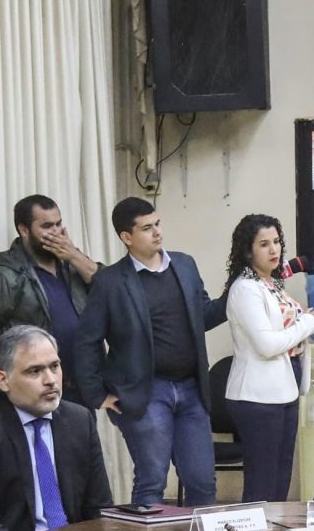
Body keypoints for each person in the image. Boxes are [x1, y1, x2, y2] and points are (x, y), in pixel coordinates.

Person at [75, 197, 230, 507]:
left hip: (191, 389)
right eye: (147, 228)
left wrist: (236, 291)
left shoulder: (184, 265)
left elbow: (204, 316)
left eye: (157, 224)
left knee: (202, 480)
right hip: (146, 393)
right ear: (126, 237)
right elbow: (86, 341)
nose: (157, 232)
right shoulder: (109, 282)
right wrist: (98, 395)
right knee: (152, 481)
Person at [0, 324, 113, 531]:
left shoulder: (79, 420)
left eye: (54, 366)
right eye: (35, 371)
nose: (50, 380)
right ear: (3, 380)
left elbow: (100, 508)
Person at [220, 213, 314, 504]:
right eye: (264, 244)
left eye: (276, 242)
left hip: (284, 391)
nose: (274, 250)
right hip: (256, 396)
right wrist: (310, 323)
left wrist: (310, 317)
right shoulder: (245, 288)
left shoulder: (272, 284)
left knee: (280, 479)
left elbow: (287, 329)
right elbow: (266, 344)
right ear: (247, 250)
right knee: (262, 483)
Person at [0, 194, 100, 367]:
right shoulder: (7, 277)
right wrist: (20, 372)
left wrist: (74, 255)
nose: (56, 232)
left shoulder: (73, 263)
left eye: (59, 224)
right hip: (41, 387)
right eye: (47, 226)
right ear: (24, 230)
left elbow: (110, 288)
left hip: (90, 381)